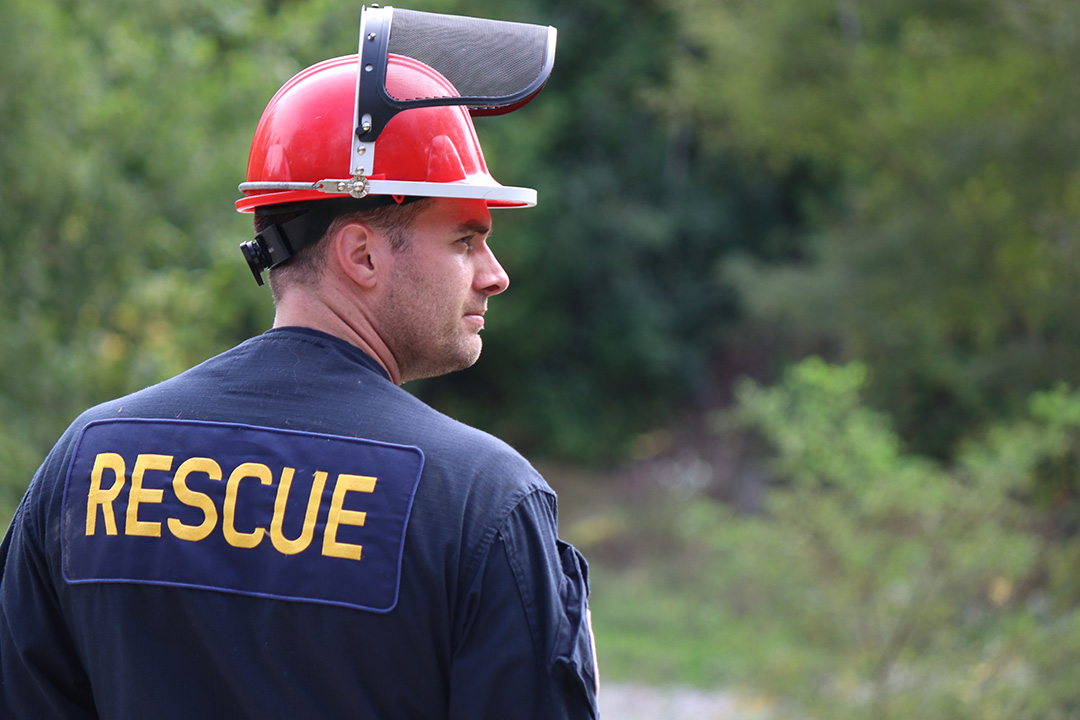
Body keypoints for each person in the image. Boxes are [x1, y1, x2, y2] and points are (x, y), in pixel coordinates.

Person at [0, 8, 598, 719]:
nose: (495, 275)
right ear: (362, 255)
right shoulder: (481, 500)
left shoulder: (88, 462)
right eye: (466, 239)